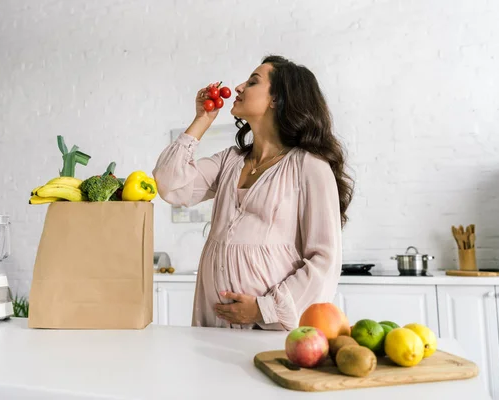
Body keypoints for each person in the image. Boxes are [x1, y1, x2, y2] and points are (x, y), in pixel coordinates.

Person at [152, 55, 354, 330]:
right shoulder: (229, 161)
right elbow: (169, 184)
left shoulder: (309, 167)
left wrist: (264, 309)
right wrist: (201, 120)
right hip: (215, 325)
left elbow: (325, 260)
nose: (238, 87)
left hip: (272, 329)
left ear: (277, 99)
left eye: (253, 82)